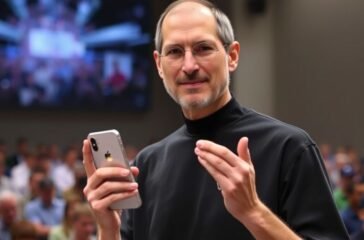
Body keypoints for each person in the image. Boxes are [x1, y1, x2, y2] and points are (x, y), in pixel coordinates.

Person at [82, 0, 349, 239]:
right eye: (175, 51)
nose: (189, 66)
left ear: (232, 56)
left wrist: (254, 212)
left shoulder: (289, 148)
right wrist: (109, 230)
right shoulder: (148, 164)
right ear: (159, 65)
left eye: (203, 48)